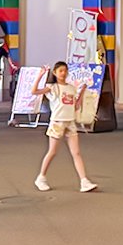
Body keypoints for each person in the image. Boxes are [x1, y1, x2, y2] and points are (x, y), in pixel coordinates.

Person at [32, 62, 97, 193]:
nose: (64, 73)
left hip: (70, 122)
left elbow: (76, 106)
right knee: (52, 151)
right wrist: (40, 75)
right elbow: (34, 91)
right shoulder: (53, 88)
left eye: (65, 70)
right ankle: (41, 177)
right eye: (61, 71)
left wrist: (82, 91)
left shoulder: (71, 88)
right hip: (57, 122)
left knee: (76, 153)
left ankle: (84, 181)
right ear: (55, 73)